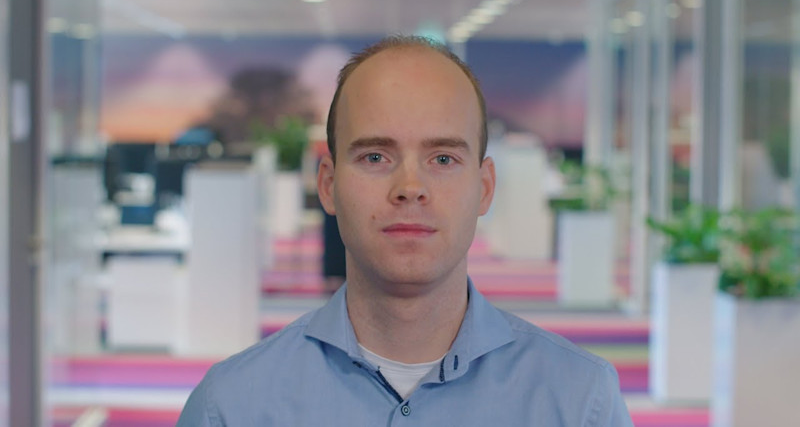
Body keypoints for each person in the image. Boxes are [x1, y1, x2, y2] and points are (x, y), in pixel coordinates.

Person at [177, 35, 633, 426]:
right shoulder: (230, 407)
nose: (410, 188)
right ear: (329, 186)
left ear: (485, 189)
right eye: (375, 157)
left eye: (443, 159)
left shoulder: (581, 403)